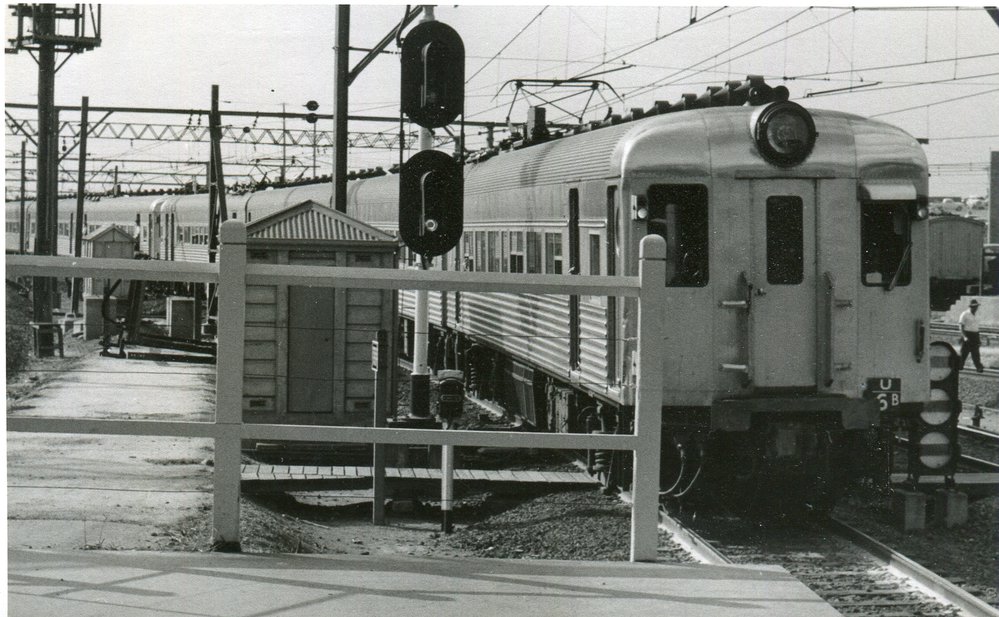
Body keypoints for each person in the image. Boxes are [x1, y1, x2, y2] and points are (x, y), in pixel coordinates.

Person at [958, 298, 984, 373]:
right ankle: (959, 365)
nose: (976, 308)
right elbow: (961, 326)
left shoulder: (977, 315)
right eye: (974, 306)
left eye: (976, 306)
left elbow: (976, 327)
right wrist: (964, 336)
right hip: (967, 334)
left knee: (976, 353)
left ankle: (979, 367)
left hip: (975, 335)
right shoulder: (965, 314)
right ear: (971, 307)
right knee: (964, 352)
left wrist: (978, 338)